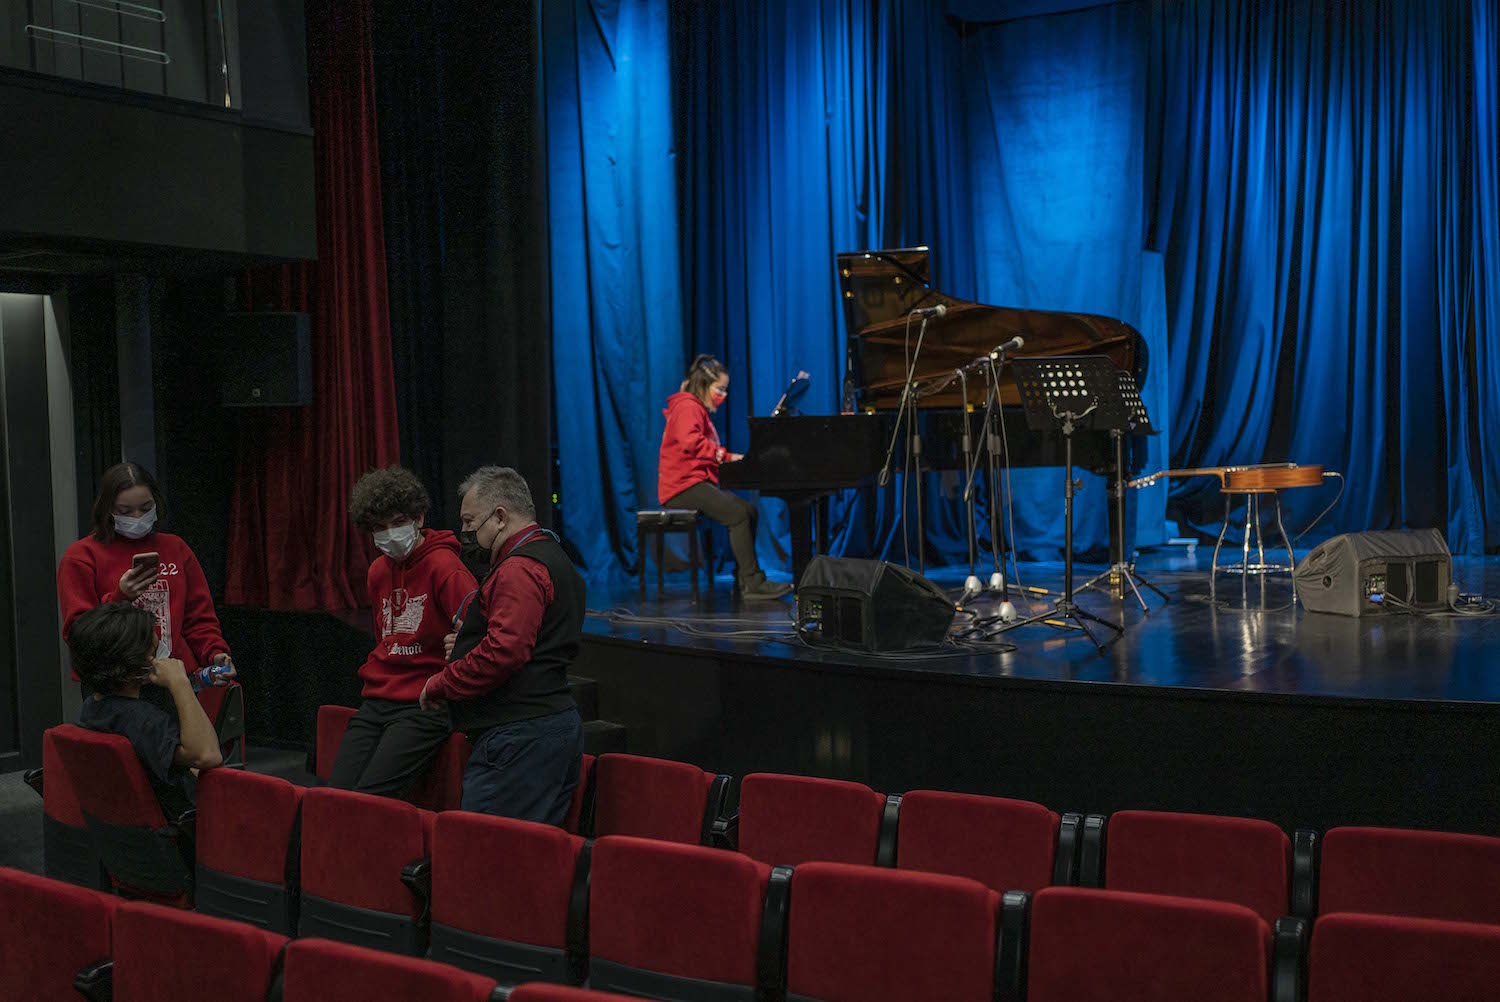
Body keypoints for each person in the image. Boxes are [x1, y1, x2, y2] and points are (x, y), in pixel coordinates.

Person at [418, 466, 584, 824]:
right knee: (529, 860)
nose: (462, 531)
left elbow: (504, 652)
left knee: (489, 859)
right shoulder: (552, 556)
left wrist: (441, 683)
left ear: (499, 517)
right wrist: (467, 642)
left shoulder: (519, 569)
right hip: (543, 729)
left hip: (520, 737)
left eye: (469, 521)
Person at [329, 466, 477, 797]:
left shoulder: (446, 568)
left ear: (419, 518)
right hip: (377, 700)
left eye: (398, 523)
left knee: (372, 797)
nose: (390, 534)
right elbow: (385, 638)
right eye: (379, 528)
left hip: (424, 705)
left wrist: (446, 690)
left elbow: (476, 639)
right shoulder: (378, 571)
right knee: (335, 795)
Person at [57, 462, 236, 698]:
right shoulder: (81, 556)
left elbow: (199, 619)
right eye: (125, 511)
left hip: (174, 678)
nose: (137, 517)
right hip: (115, 685)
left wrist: (215, 653)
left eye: (145, 507)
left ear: (156, 504)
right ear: (107, 510)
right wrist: (120, 598)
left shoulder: (175, 548)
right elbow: (80, 635)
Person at [658, 354, 791, 600]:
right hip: (681, 487)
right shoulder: (688, 407)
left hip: (693, 483)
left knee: (748, 511)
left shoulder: (694, 408)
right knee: (738, 514)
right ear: (703, 385)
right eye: (719, 389)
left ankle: (744, 580)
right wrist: (726, 457)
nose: (723, 395)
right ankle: (753, 583)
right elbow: (691, 443)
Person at [70, 603, 222, 818]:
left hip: (123, 829)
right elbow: (208, 755)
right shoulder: (144, 721)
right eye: (154, 651)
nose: (162, 657)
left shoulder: (93, 708)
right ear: (138, 665)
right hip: (183, 828)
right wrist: (180, 683)